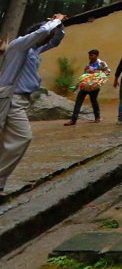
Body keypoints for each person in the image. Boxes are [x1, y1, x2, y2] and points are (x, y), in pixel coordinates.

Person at [0, 15, 66, 200]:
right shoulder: (20, 45)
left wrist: (59, 26)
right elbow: (44, 32)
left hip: (20, 100)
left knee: (7, 140)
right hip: (11, 100)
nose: (47, 40)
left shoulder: (33, 50)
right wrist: (53, 22)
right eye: (46, 35)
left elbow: (55, 41)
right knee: (22, 137)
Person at [66, 48, 111, 125]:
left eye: (92, 55)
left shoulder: (101, 64)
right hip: (85, 86)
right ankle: (73, 120)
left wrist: (98, 76)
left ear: (97, 55)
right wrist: (77, 86)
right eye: (89, 56)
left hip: (94, 87)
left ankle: (97, 117)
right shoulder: (88, 65)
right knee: (78, 102)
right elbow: (84, 76)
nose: (90, 57)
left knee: (94, 101)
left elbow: (107, 71)